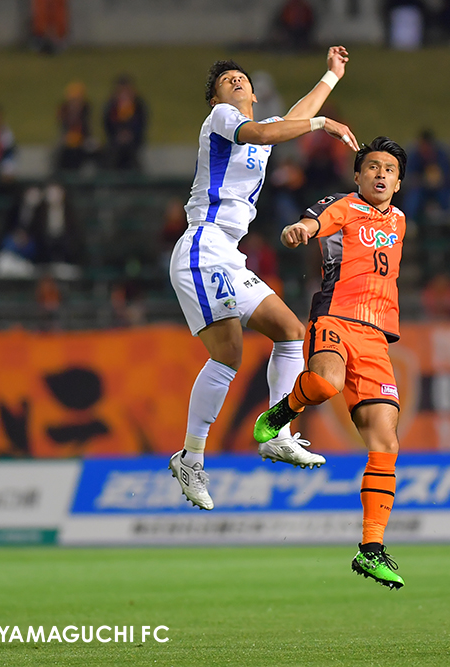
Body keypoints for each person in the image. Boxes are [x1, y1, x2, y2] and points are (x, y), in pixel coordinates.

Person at [168, 47, 359, 511]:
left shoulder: (263, 130)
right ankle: (191, 457)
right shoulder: (222, 119)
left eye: (241, 78)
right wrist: (322, 124)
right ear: (215, 99)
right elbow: (274, 130)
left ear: (254, 93)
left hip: (227, 253)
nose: (235, 82)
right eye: (225, 81)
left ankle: (278, 433)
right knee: (228, 354)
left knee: (291, 331)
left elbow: (289, 119)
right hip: (203, 244)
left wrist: (331, 77)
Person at [254, 137, 408, 589]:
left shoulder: (399, 219)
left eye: (390, 170)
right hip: (336, 316)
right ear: (357, 176)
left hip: (377, 337)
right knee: (325, 384)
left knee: (386, 441)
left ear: (398, 183)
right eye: (373, 167)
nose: (381, 174)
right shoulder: (343, 205)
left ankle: (371, 550)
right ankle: (279, 415)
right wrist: (300, 229)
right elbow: (315, 221)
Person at [103, 74, 147, 171]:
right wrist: (118, 134)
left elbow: (141, 123)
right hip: (115, 141)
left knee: (131, 154)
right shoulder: (112, 106)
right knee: (113, 154)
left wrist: (130, 134)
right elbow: (108, 124)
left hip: (133, 141)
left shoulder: (138, 105)